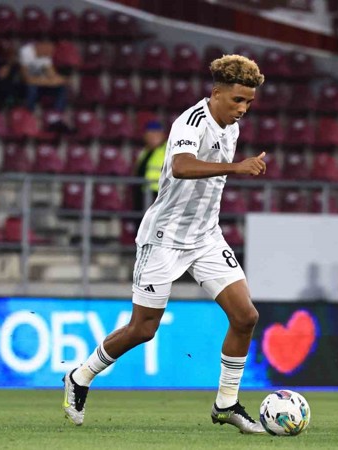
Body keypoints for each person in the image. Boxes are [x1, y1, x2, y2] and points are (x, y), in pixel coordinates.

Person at [63, 55, 268, 433]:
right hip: (164, 239)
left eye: (249, 103)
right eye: (237, 100)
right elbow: (182, 166)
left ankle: (226, 404)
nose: (243, 109)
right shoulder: (191, 122)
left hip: (205, 237)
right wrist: (237, 167)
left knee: (246, 317)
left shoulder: (232, 128)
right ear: (216, 93)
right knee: (143, 329)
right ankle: (80, 376)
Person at [19, 38, 67, 111]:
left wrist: (60, 80)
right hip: (23, 84)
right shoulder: (26, 51)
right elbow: (26, 78)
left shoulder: (46, 55)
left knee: (61, 88)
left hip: (40, 83)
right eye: (49, 50)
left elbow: (52, 75)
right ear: (41, 46)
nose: (51, 53)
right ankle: (29, 112)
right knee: (32, 88)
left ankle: (56, 113)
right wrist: (48, 81)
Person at [132, 120, 166, 211]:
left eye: (156, 133)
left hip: (159, 192)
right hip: (144, 190)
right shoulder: (145, 151)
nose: (153, 137)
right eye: (150, 134)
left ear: (162, 135)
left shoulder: (168, 149)